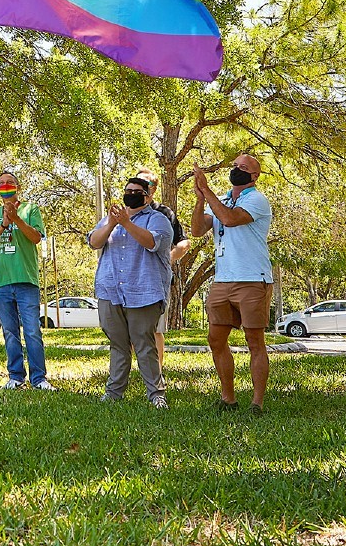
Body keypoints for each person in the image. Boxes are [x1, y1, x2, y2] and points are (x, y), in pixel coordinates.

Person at [189, 153, 275, 415]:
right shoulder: (221, 200)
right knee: (215, 339)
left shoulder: (257, 200)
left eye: (243, 167)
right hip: (223, 280)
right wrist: (200, 198)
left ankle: (257, 403)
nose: (237, 169)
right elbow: (196, 229)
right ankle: (228, 398)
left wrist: (206, 188)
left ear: (255, 175)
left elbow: (229, 219)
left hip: (252, 280)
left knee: (254, 341)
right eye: (235, 165)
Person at [89, 177, 173, 408]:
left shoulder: (158, 219)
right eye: (128, 191)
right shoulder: (110, 220)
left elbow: (153, 243)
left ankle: (156, 395)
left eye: (137, 191)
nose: (131, 194)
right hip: (111, 289)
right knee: (117, 344)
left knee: (144, 344)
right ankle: (114, 393)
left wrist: (126, 223)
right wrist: (111, 224)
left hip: (144, 291)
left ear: (147, 196)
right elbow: (94, 242)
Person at [0, 170, 52, 390]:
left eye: (10, 182)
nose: (5, 186)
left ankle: (39, 379)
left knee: (32, 330)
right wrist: (3, 223)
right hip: (1, 282)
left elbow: (36, 237)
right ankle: (15, 376)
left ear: (18, 187)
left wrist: (16, 219)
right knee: (10, 331)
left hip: (26, 280)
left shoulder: (31, 209)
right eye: (1, 183)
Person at [133, 169, 191, 365]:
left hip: (155, 280)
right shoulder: (127, 212)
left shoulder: (164, 214)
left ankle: (156, 372)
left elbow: (183, 242)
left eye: (145, 185)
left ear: (154, 189)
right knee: (131, 328)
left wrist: (167, 259)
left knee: (155, 328)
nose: (139, 188)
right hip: (130, 279)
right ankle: (135, 370)